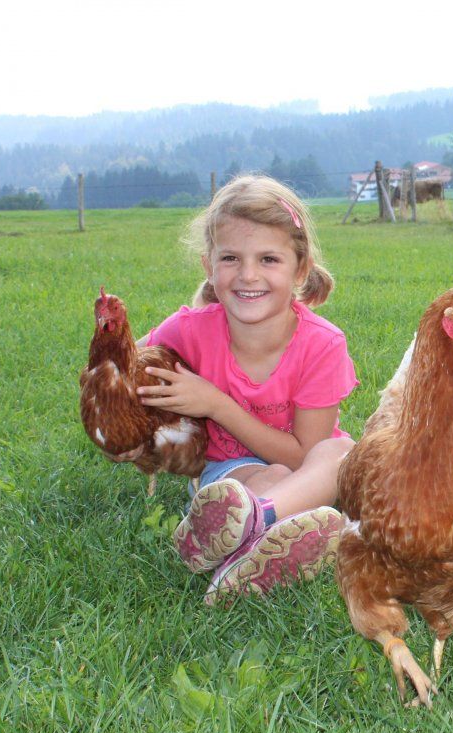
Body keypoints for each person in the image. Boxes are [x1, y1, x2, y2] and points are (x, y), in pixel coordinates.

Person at [134, 175, 358, 605]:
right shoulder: (190, 330)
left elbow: (302, 455)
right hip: (231, 472)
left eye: (268, 259)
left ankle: (250, 531)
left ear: (301, 268)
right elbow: (118, 369)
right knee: (259, 484)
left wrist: (216, 404)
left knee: (340, 454)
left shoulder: (322, 344)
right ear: (209, 266)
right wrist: (123, 423)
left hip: (308, 470)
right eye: (231, 258)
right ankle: (261, 541)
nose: (248, 275)